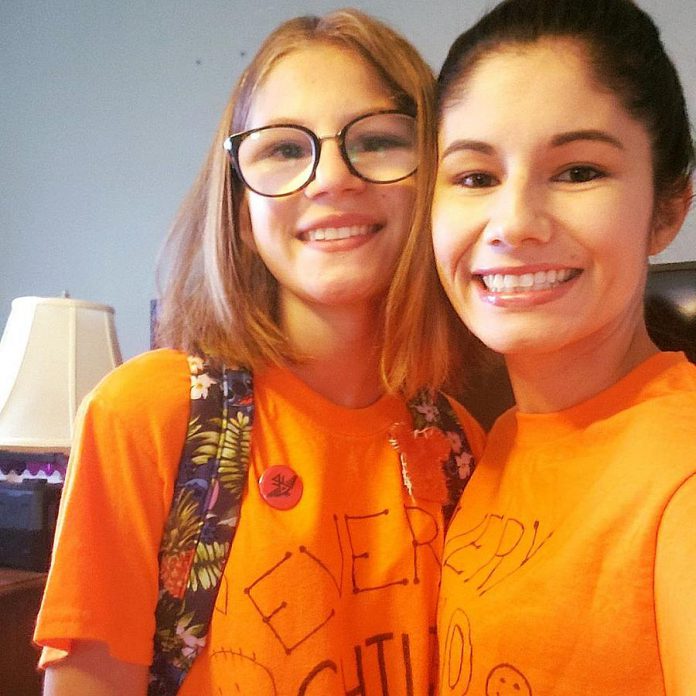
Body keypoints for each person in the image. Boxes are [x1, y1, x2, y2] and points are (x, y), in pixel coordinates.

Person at [34, 9, 485, 696]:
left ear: (435, 182)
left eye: (379, 140)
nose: (331, 178)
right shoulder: (148, 417)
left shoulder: (462, 446)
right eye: (283, 149)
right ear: (242, 210)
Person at [427, 0, 696, 693]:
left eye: (578, 171)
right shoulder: (491, 447)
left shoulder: (683, 474)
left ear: (668, 209)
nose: (513, 223)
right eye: (475, 178)